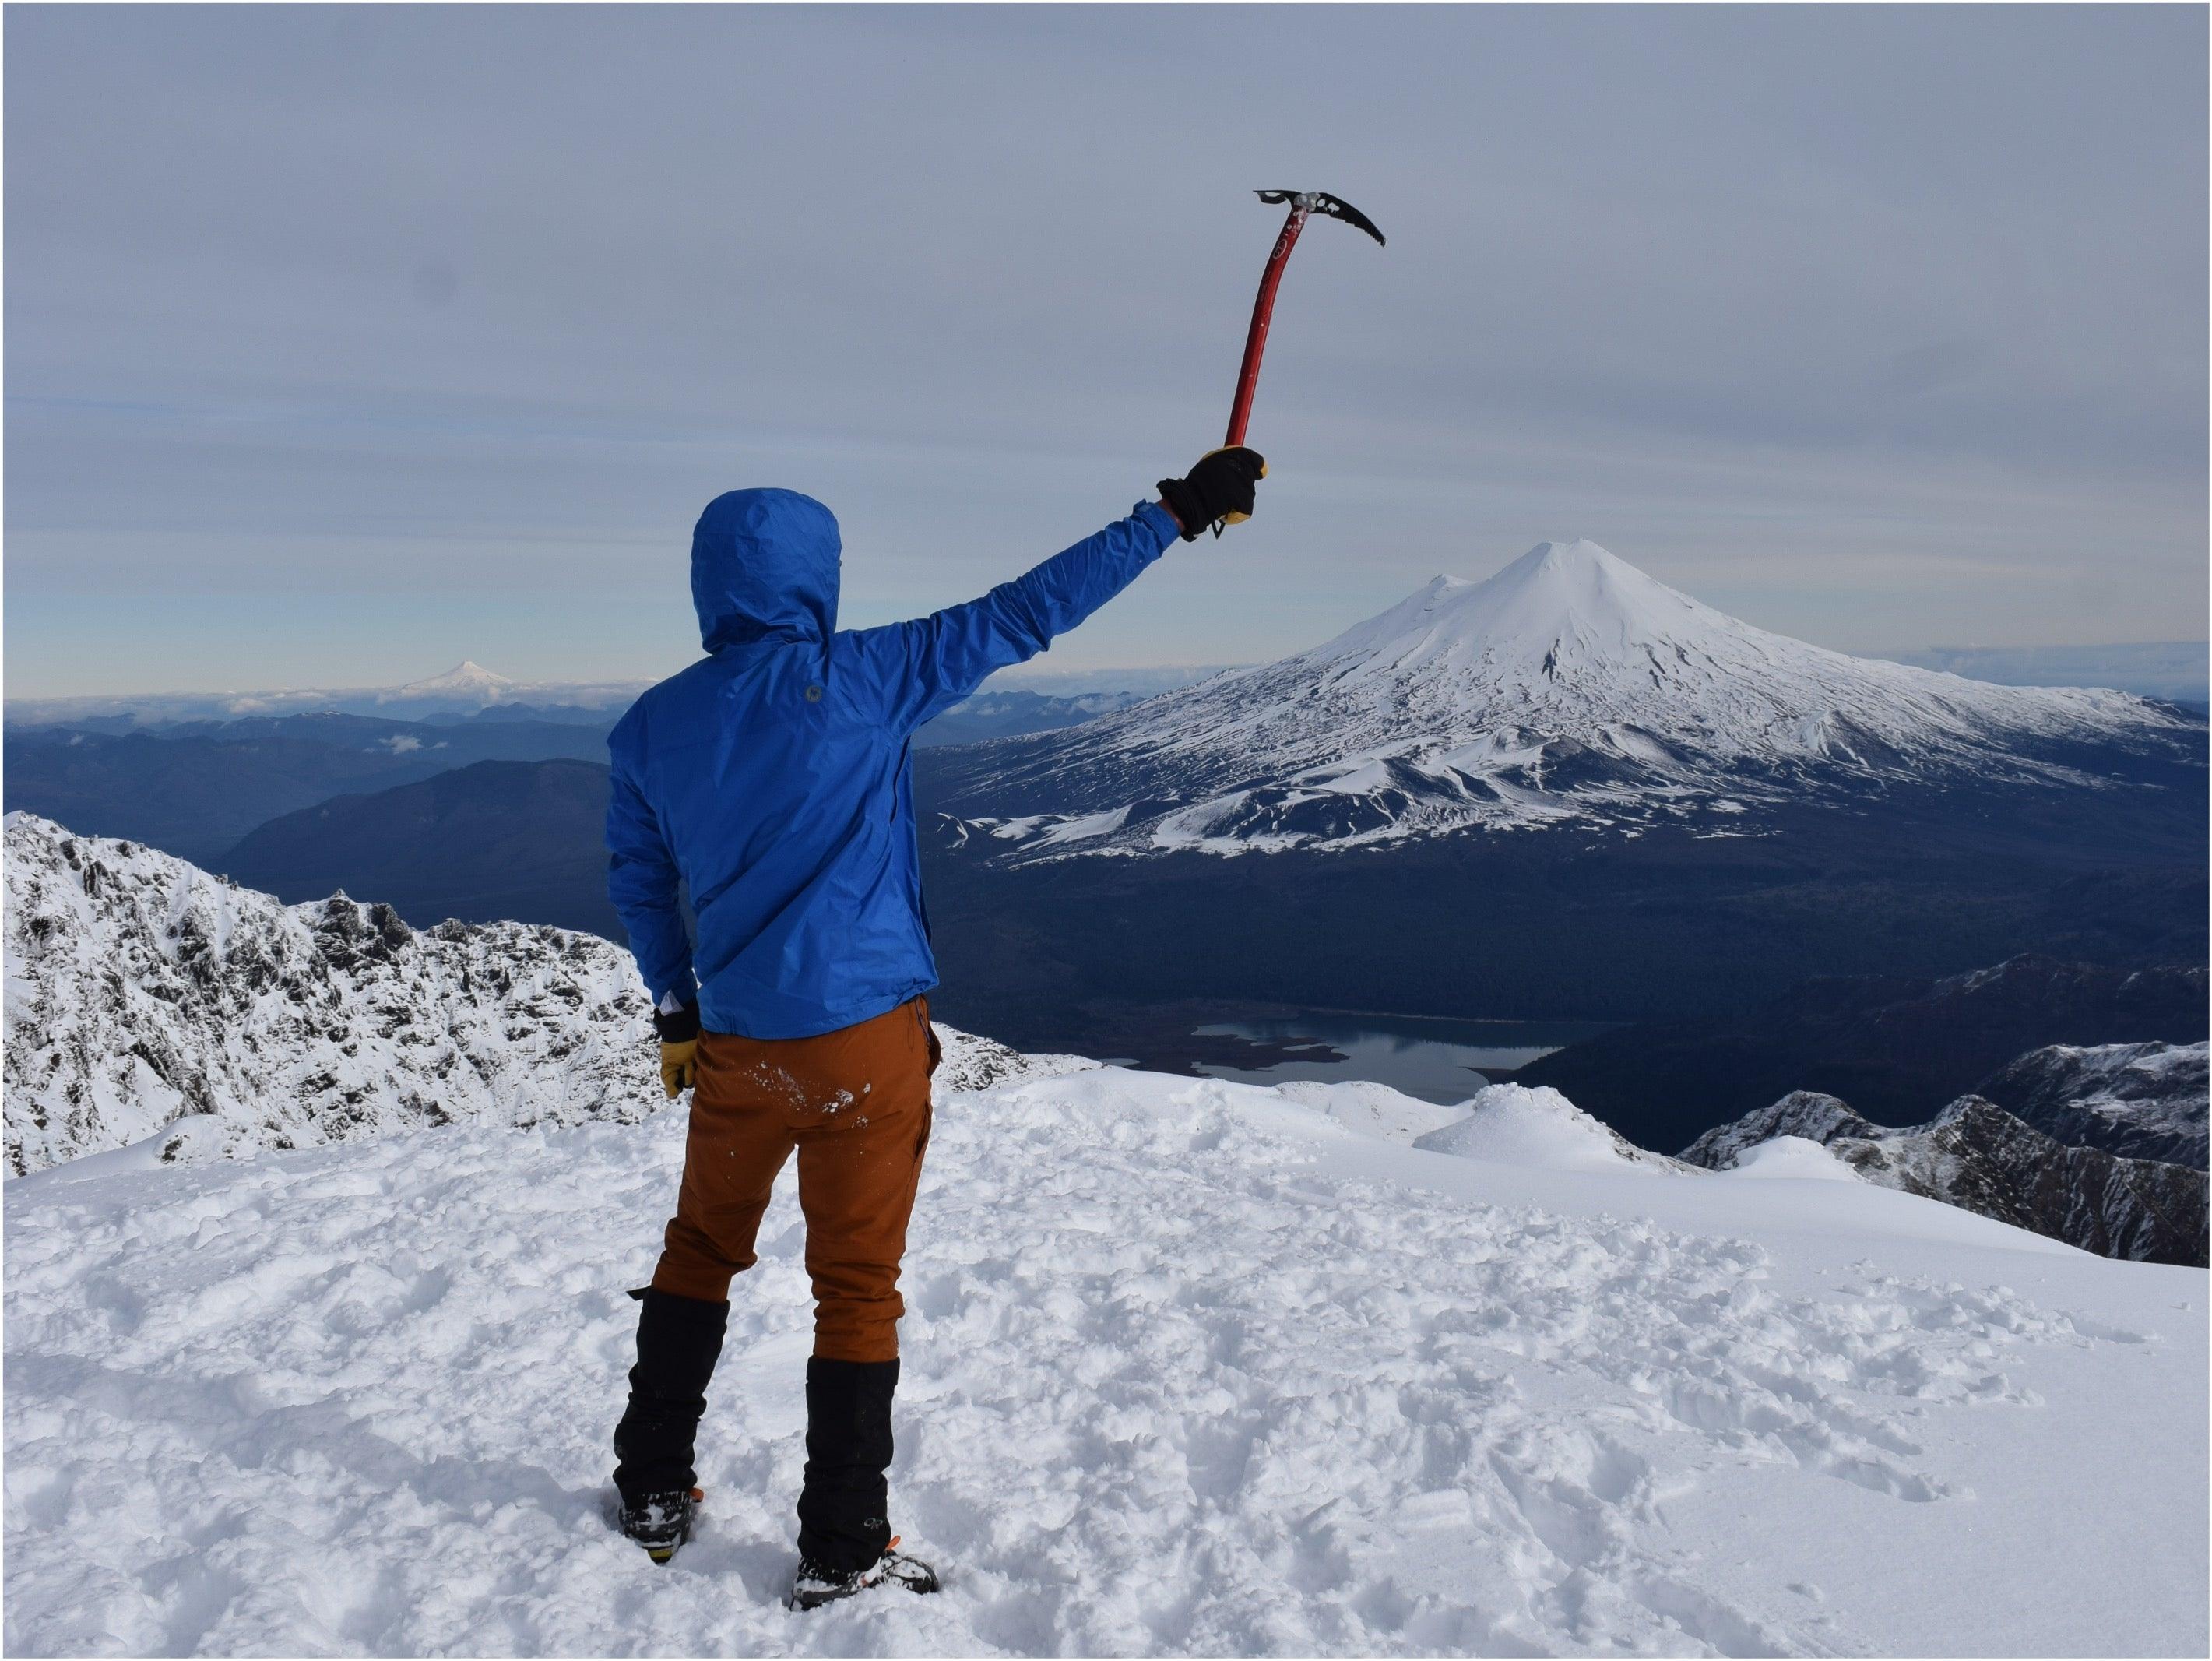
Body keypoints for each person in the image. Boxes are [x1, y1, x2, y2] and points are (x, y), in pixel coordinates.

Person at [603, 447, 1266, 1606]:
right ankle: (842, 1542)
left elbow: (639, 879)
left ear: (710, 583)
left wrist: (676, 1007)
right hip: (864, 1041)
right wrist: (1175, 512)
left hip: (739, 1047)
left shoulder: (649, 729)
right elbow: (1027, 610)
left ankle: (654, 1482)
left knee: (700, 1250)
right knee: (855, 1286)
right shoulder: (867, 677)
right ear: (819, 577)